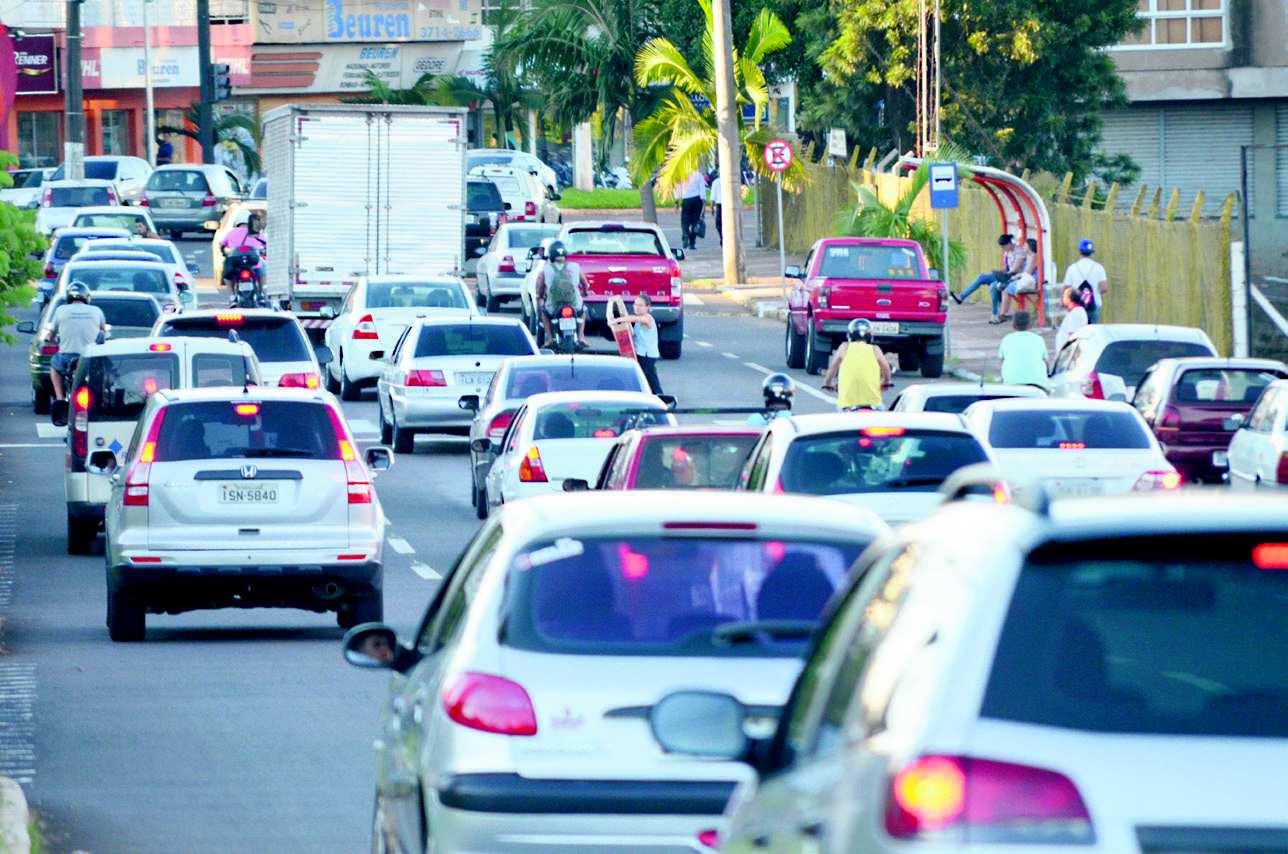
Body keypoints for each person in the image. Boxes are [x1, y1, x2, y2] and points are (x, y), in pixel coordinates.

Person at [48, 282, 106, 401]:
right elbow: (103, 332)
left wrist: (52, 340)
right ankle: (102, 395)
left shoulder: (60, 310)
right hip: (91, 357)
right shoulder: (97, 311)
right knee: (104, 371)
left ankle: (60, 397)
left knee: (54, 365)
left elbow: (50, 335)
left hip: (67, 357)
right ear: (86, 296)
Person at [821, 318, 892, 410]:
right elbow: (886, 367)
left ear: (850, 335)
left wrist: (827, 382)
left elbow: (833, 367)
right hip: (872, 403)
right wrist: (886, 381)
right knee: (881, 415)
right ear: (870, 335)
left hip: (847, 404)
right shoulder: (875, 349)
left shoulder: (844, 347)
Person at [951, 233, 1023, 324]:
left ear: (1009, 243)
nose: (1003, 249)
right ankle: (961, 298)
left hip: (1013, 277)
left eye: (1004, 246)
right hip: (1005, 275)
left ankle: (995, 315)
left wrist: (1002, 274)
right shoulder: (1007, 253)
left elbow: (1014, 270)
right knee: (982, 277)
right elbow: (1006, 268)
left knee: (993, 286)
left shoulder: (1019, 252)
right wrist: (998, 271)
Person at [538, 240, 588, 347]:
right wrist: (585, 292)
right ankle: (581, 336)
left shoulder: (546, 269)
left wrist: (540, 296)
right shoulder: (575, 267)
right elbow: (585, 283)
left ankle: (549, 338)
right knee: (583, 310)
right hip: (574, 304)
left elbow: (540, 287)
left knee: (544, 313)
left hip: (554, 306)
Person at [621, 294, 663, 394]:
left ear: (648, 307)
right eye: (635, 304)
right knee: (651, 379)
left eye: (640, 305)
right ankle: (660, 396)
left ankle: (656, 397)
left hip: (647, 355)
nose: (637, 307)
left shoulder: (648, 318)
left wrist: (617, 320)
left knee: (643, 378)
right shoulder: (638, 321)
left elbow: (634, 319)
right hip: (641, 353)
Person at [997, 311, 1049, 389]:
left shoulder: (1006, 339)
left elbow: (1001, 360)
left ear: (1013, 325)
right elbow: (1045, 361)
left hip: (1012, 383)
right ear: (1030, 325)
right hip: (1038, 383)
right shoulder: (1038, 339)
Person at [1062, 238, 1107, 323]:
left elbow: (1066, 288)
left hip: (1076, 307)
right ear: (1092, 252)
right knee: (1093, 330)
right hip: (1094, 305)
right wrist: (1093, 292)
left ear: (1079, 251)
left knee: (1077, 329)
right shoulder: (1099, 267)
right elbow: (1104, 288)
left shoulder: (1072, 268)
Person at [220, 212, 267, 285]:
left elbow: (222, 244)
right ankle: (262, 288)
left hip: (235, 262)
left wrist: (224, 252)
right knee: (263, 272)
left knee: (227, 277)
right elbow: (266, 244)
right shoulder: (256, 233)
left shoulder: (231, 232)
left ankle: (231, 292)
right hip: (254, 261)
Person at [997, 237, 1039, 320]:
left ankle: (1003, 314)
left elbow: (1028, 273)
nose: (1023, 247)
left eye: (1025, 245)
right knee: (1004, 287)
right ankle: (1003, 313)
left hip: (1031, 280)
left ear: (1029, 246)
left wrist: (1016, 277)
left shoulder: (1034, 256)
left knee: (1005, 289)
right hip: (1026, 279)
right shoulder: (1029, 256)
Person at [1054, 287, 1089, 353]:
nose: (1062, 298)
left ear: (1069, 299)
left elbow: (1073, 336)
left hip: (1068, 354)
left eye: (1064, 296)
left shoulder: (1076, 312)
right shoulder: (1074, 311)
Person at [678, 169, 706, 250]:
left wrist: (677, 201)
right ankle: (692, 243)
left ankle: (685, 234)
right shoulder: (699, 175)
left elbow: (678, 189)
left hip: (686, 199)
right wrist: (703, 205)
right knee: (695, 222)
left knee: (684, 221)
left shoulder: (682, 175)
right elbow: (702, 190)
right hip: (697, 200)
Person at [708, 169, 723, 245]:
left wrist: (712, 208)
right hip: (722, 205)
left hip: (719, 205)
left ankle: (722, 237)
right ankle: (723, 238)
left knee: (719, 224)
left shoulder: (715, 182)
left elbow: (713, 197)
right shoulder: (716, 182)